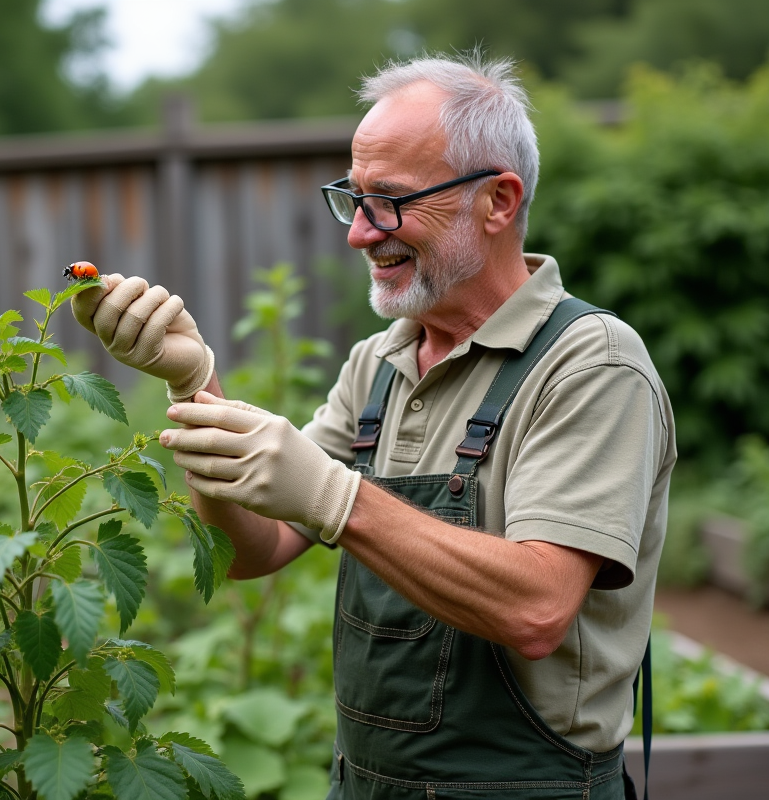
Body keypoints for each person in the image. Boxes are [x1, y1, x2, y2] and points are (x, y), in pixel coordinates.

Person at [72, 53, 676, 800]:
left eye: (389, 202)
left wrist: (336, 496)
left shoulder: (589, 365)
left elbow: (537, 608)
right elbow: (246, 551)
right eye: (352, 199)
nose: (359, 234)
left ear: (497, 201)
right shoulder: (379, 364)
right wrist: (196, 383)